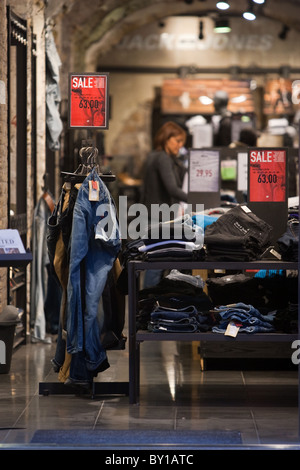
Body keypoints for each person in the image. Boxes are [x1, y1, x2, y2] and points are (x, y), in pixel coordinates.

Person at [140, 121, 188, 288]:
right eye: (177, 141)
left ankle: (146, 304)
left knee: (154, 265)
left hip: (151, 215)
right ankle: (147, 306)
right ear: (166, 139)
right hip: (158, 218)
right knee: (156, 266)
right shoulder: (162, 158)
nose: (180, 146)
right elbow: (172, 189)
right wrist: (195, 199)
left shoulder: (155, 156)